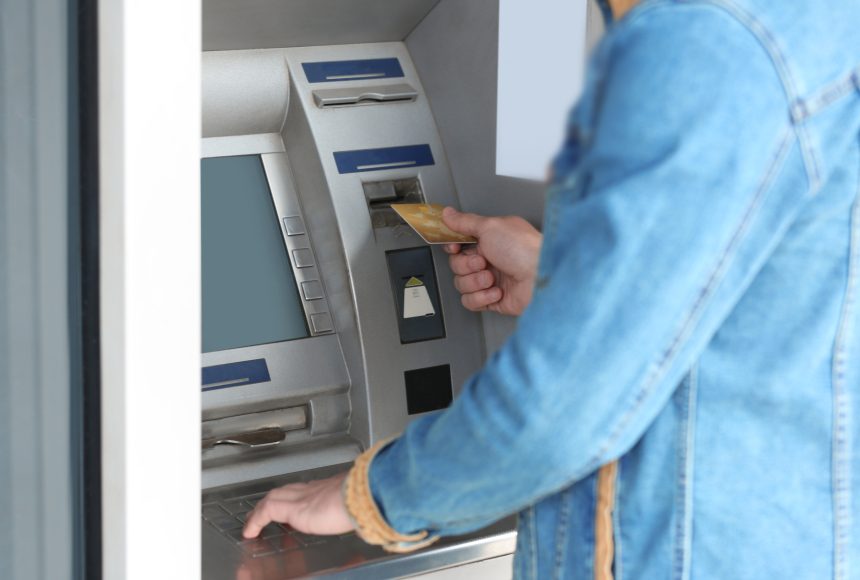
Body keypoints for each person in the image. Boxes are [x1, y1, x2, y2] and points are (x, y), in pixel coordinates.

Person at [242, 0, 860, 577]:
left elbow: (559, 417)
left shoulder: (703, 44)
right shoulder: (813, 25)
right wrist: (570, 287)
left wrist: (365, 494)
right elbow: (776, 305)